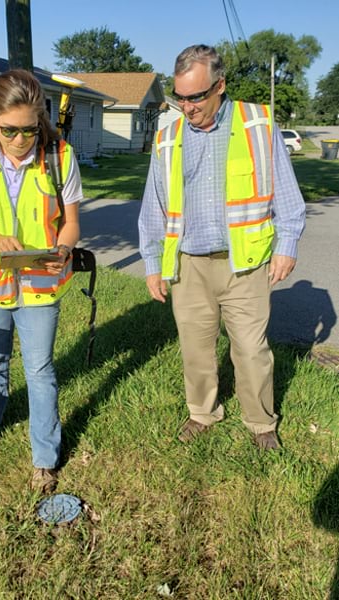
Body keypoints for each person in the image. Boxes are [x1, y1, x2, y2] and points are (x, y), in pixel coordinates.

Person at [138, 45, 306, 450]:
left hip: (243, 264)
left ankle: (261, 423)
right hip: (189, 264)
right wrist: (151, 261)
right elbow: (154, 204)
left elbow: (287, 192)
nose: (188, 107)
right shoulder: (168, 134)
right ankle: (202, 412)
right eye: (180, 96)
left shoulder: (257, 124)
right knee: (196, 349)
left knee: (251, 350)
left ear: (220, 85)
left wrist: (286, 243)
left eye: (196, 97)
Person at [0, 69, 83, 492]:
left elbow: (73, 223)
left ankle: (45, 457)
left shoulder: (60, 154)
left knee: (39, 369)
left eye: (30, 130)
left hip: (41, 284)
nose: (22, 141)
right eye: (10, 131)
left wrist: (62, 248)